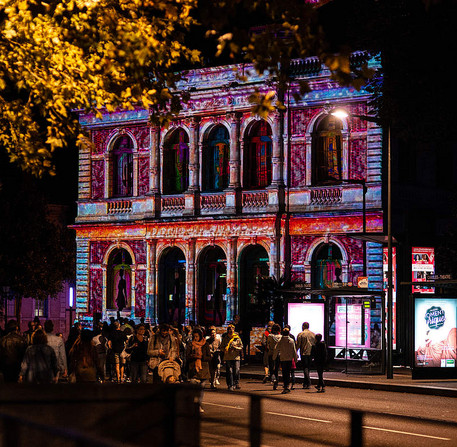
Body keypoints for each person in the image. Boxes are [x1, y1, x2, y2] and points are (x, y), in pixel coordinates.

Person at [273, 327, 297, 394]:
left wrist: (274, 357)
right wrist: (295, 358)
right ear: (288, 333)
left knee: (284, 373)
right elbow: (294, 350)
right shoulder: (291, 341)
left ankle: (285, 385)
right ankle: (287, 386)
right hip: (289, 359)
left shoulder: (280, 341)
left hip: (283, 359)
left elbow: (276, 349)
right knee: (288, 372)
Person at [220, 323, 243, 391]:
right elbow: (221, 347)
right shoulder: (225, 338)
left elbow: (241, 347)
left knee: (236, 370)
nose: (231, 330)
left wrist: (235, 348)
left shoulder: (237, 338)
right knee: (229, 371)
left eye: (232, 329)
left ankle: (236, 383)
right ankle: (230, 384)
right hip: (228, 357)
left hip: (236, 357)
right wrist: (226, 349)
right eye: (229, 329)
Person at [296, 322, 315, 389]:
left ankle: (308, 382)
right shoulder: (313, 334)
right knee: (308, 368)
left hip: (303, 353)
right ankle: (305, 383)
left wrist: (295, 352)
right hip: (310, 353)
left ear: (303, 326)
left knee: (305, 367)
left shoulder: (301, 334)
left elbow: (298, 345)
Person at [266, 323, 282, 390]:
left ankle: (273, 378)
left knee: (271, 367)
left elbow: (268, 344)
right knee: (277, 368)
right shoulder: (280, 337)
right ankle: (277, 380)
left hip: (271, 353)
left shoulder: (270, 336)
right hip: (278, 353)